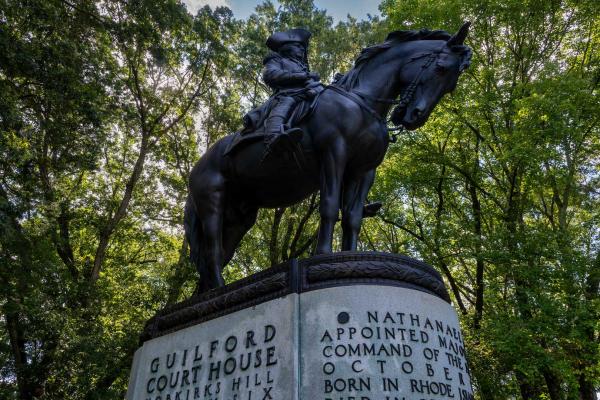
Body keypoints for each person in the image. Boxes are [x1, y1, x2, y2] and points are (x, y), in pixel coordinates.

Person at [260, 28, 321, 153]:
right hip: (287, 94)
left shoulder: (302, 65)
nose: (303, 49)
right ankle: (273, 138)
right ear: (288, 47)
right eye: (299, 46)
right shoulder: (276, 60)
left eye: (303, 47)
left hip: (308, 93)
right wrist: (303, 76)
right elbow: (271, 75)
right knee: (286, 102)